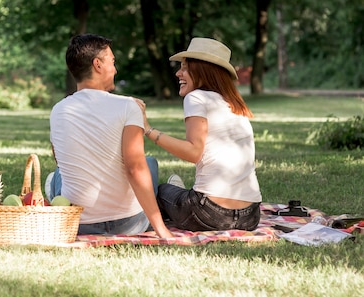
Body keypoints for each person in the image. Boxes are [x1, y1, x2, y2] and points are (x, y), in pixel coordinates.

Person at [48, 34, 172, 238]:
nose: (115, 69)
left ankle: (52, 184)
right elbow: (134, 168)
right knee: (148, 163)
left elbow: (60, 159)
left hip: (78, 223)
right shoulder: (128, 106)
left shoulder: (58, 110)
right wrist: (161, 229)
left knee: (60, 173)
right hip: (130, 224)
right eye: (112, 62)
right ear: (97, 64)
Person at [137, 37, 262, 231]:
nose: (178, 73)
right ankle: (181, 195)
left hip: (210, 214)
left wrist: (148, 129)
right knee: (175, 194)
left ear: (203, 70)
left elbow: (193, 152)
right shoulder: (234, 104)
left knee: (161, 191)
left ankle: (176, 198)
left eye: (185, 68)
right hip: (251, 217)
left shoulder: (196, 97)